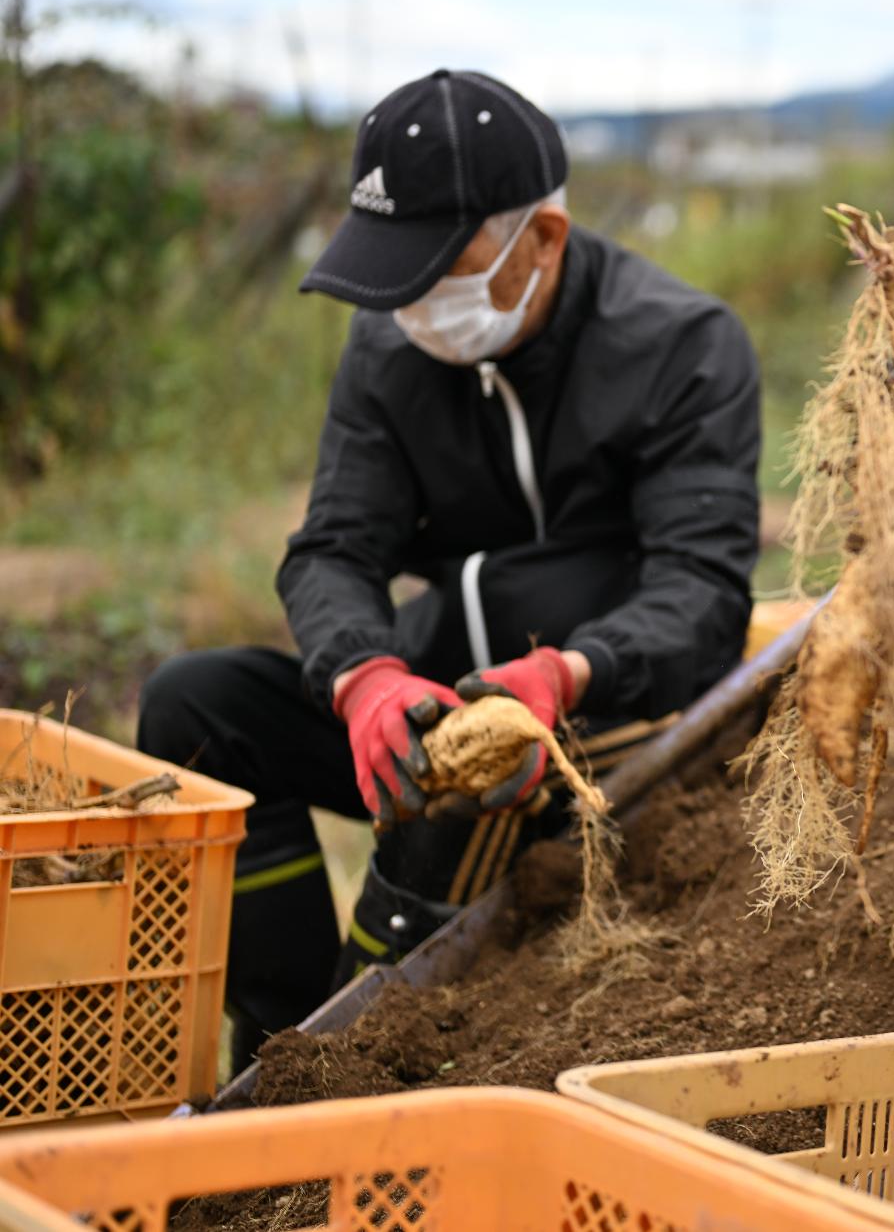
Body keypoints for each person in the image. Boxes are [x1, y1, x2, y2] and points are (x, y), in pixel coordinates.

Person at [136, 70, 761, 1055]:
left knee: (473, 752)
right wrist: (362, 674)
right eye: (391, 274)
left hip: (610, 716)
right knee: (196, 704)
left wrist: (565, 673)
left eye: (434, 271)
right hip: (453, 687)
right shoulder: (390, 347)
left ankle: (344, 1054)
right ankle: (275, 1035)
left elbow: (701, 595)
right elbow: (334, 547)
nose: (408, 304)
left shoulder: (679, 346)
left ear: (540, 240)